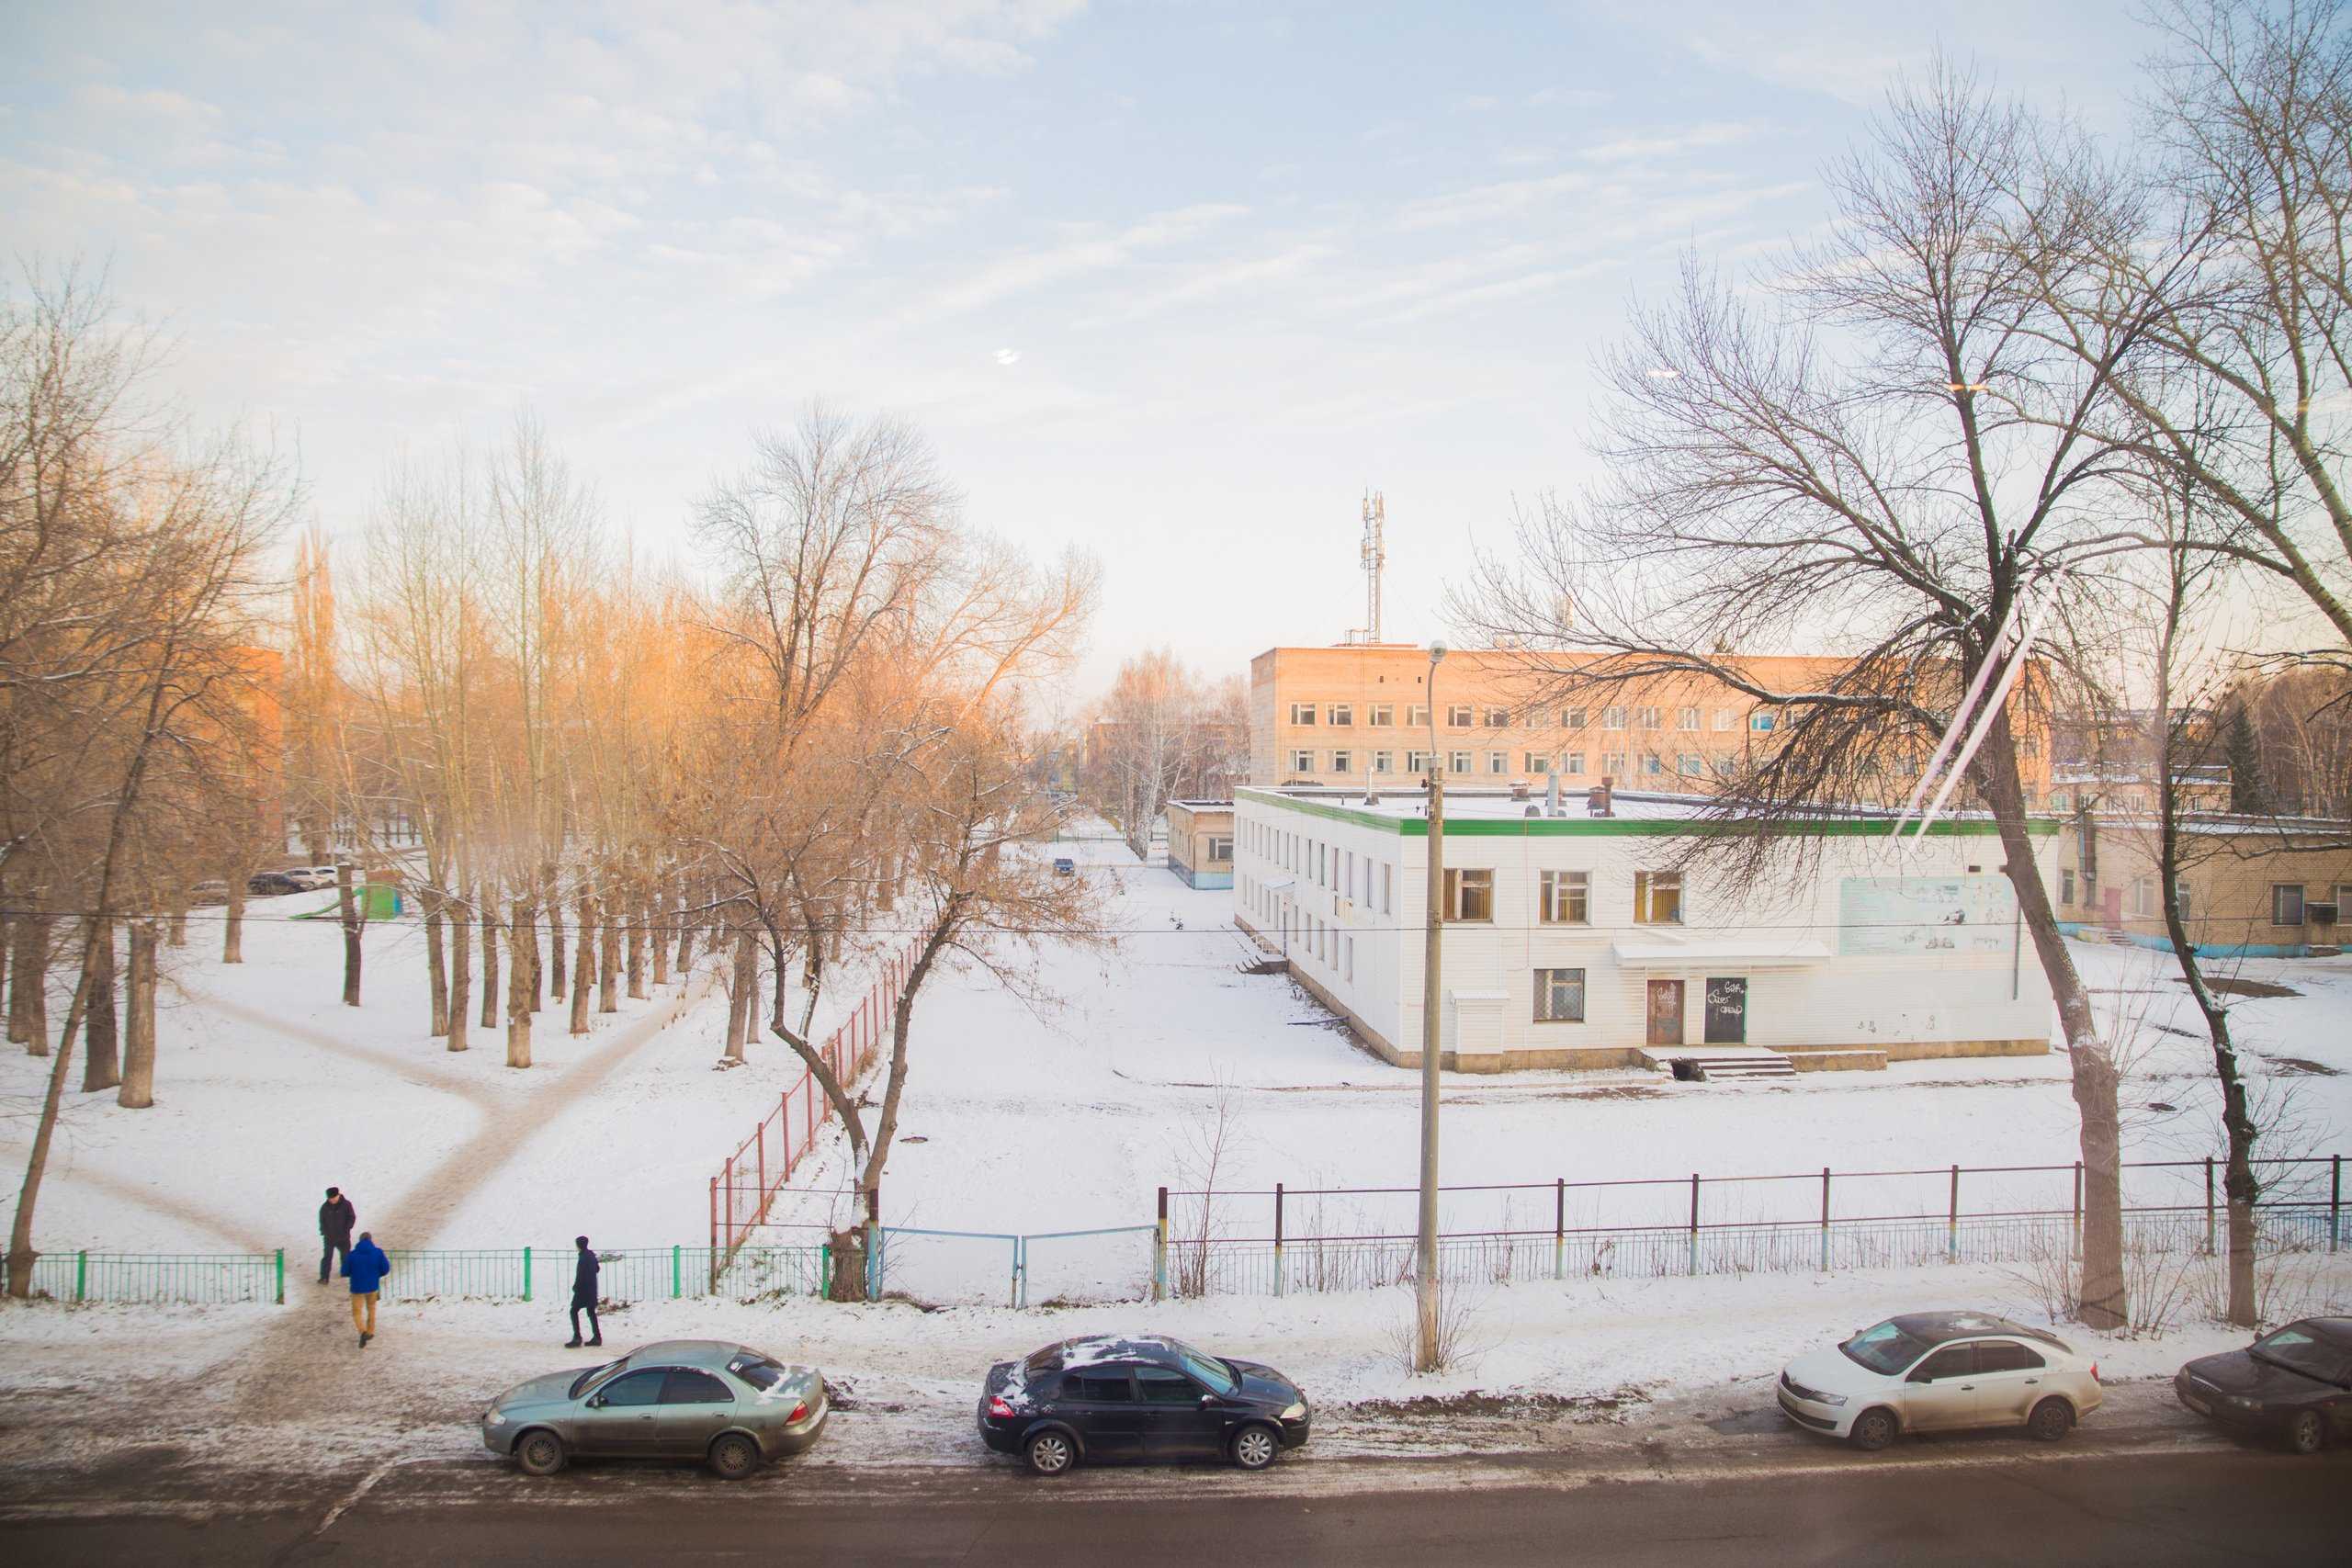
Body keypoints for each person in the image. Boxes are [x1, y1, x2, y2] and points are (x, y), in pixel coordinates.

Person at [342, 1231, 390, 1348]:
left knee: (357, 1312)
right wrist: (377, 1274)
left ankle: (362, 1331)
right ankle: (370, 1331)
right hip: (372, 1287)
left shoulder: (352, 1255)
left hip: (357, 1288)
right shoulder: (378, 1253)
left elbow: (344, 1271)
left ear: (360, 1240)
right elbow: (386, 1268)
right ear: (370, 1240)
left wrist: (352, 1273)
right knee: (371, 1309)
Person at [566, 1235, 602, 1348]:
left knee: (573, 1311)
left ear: (579, 1245)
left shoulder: (582, 1258)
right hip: (592, 1289)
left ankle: (577, 1337)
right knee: (591, 1312)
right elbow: (597, 1269)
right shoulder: (591, 1255)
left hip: (583, 1290)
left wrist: (576, 1287)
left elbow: (580, 1275)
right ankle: (597, 1337)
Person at [318, 1186, 356, 1284]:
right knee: (327, 1257)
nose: (333, 1200)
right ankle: (324, 1277)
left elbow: (351, 1217)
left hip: (343, 1237)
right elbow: (322, 1221)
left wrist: (347, 1228)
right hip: (329, 1238)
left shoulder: (347, 1205)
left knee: (346, 1256)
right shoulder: (324, 1207)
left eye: (334, 1198)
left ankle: (346, 1272)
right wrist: (324, 1231)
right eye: (331, 1198)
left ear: (338, 1195)